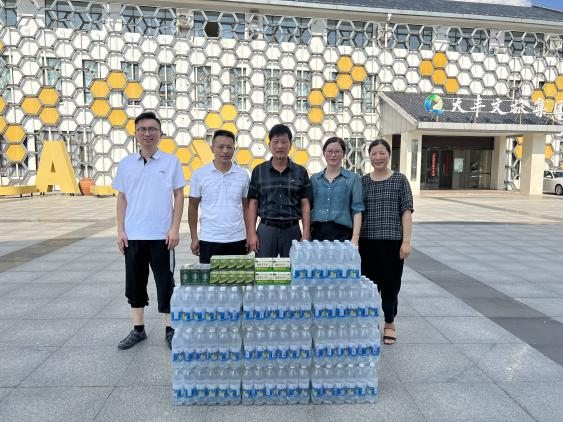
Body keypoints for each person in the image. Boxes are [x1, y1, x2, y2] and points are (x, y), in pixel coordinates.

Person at [112, 111, 185, 350]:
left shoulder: (171, 162)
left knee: (166, 283)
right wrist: (120, 230)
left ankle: (170, 329)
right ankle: (138, 329)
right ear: (135, 134)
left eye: (152, 129)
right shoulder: (126, 164)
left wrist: (175, 228)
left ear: (160, 133)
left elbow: (179, 195)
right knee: (135, 283)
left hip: (162, 236)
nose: (147, 133)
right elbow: (122, 198)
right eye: (142, 129)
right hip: (133, 235)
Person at [359, 139, 413, 345]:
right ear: (369, 157)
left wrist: (406, 241)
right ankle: (370, 322)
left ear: (389, 155)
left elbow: (406, 211)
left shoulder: (400, 180)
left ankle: (389, 322)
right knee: (368, 287)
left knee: (390, 286)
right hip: (367, 243)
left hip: (392, 243)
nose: (378, 157)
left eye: (382, 153)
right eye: (374, 153)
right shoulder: (363, 181)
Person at [246, 124, 312, 257]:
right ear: (269, 145)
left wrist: (306, 234)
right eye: (275, 142)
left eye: (284, 142)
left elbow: (305, 205)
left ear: (290, 145)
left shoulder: (301, 172)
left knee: (293, 267)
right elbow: (253, 204)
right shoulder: (259, 171)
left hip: (292, 230)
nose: (280, 146)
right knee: (264, 268)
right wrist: (251, 233)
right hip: (266, 230)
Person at [188, 130, 249, 263]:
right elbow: (192, 207)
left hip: (237, 238)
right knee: (209, 276)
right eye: (220, 147)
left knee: (238, 276)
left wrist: (249, 235)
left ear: (234, 149)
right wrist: (194, 237)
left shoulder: (243, 175)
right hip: (209, 239)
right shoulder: (199, 174)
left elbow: (247, 208)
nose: (225, 151)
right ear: (212, 148)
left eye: (229, 147)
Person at [310, 137, 364, 244]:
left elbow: (357, 209)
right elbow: (308, 208)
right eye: (330, 151)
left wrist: (355, 237)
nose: (333, 155)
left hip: (343, 234)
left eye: (337, 151)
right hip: (317, 233)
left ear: (343, 154)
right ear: (324, 153)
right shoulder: (314, 179)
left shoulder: (353, 179)